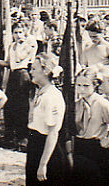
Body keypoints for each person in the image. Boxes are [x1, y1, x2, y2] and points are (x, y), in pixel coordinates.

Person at [26, 52, 66, 185]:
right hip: (35, 145)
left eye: (34, 69)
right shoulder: (40, 92)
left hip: (47, 150)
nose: (31, 72)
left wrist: (43, 164)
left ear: (45, 71)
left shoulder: (52, 96)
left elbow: (53, 133)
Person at [0, 23, 36, 144]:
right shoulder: (12, 46)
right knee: (10, 104)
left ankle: (22, 135)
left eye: (20, 32)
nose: (18, 35)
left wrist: (21, 44)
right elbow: (9, 63)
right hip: (12, 75)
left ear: (25, 33)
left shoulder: (29, 45)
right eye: (16, 32)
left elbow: (19, 58)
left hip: (23, 75)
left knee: (21, 106)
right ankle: (9, 134)